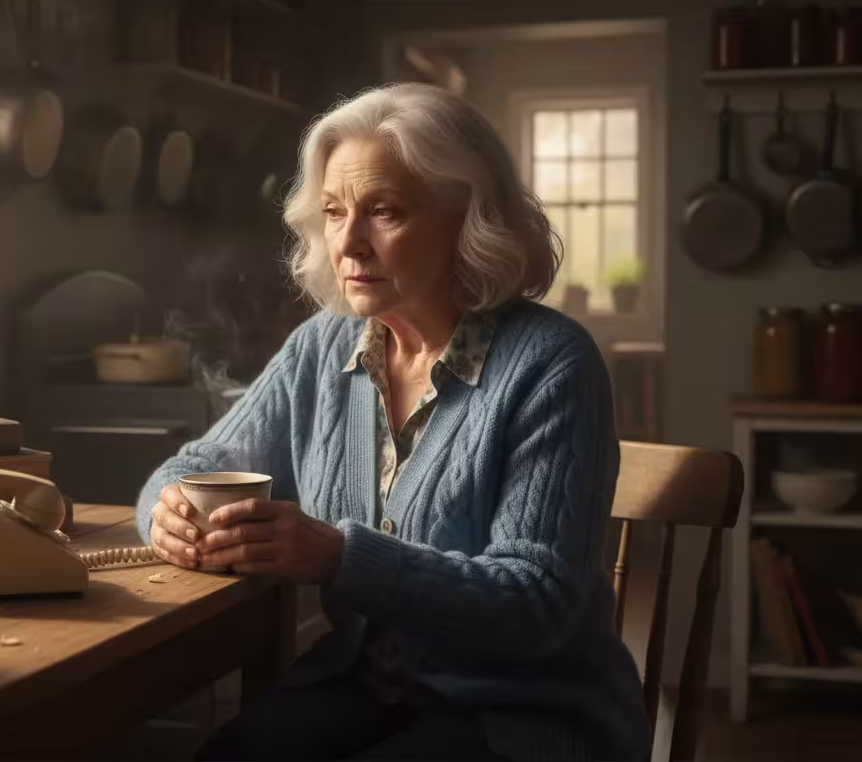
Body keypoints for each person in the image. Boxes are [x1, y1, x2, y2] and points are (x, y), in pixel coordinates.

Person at [135, 83, 649, 762]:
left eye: (383, 211)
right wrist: (165, 511)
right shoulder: (322, 346)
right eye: (333, 212)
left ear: (468, 218)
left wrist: (339, 556)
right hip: (368, 690)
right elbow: (190, 467)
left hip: (526, 711)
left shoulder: (551, 363)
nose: (348, 243)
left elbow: (537, 604)